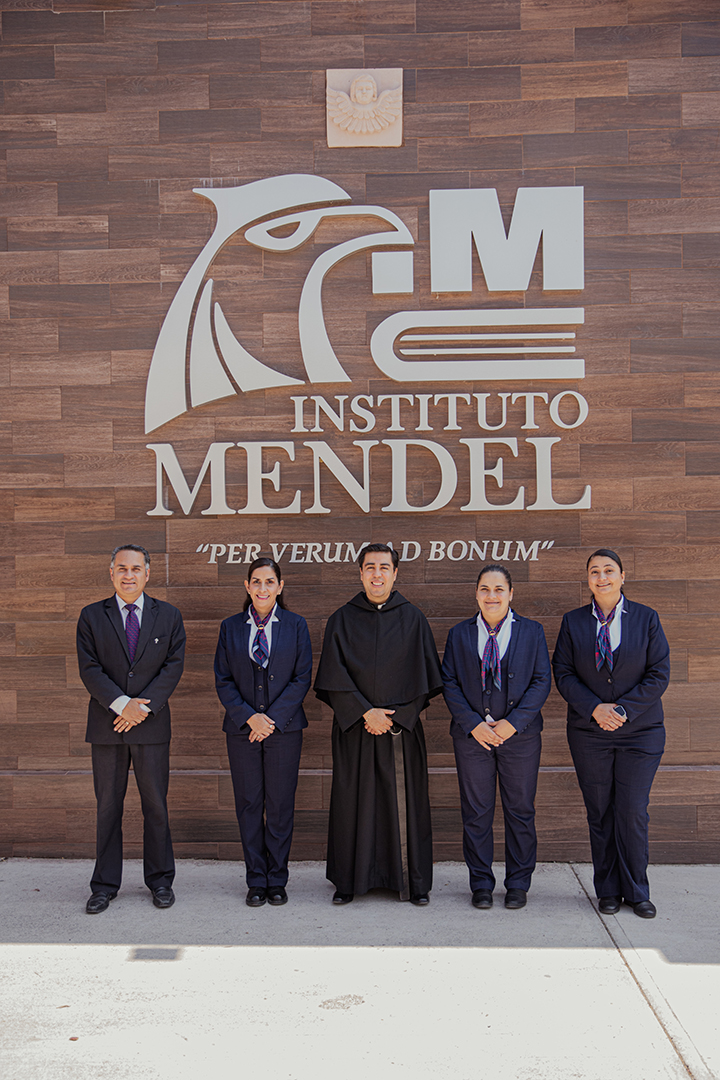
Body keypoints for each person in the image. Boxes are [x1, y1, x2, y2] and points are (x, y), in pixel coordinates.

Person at [314, 543, 443, 906]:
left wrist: (395, 716)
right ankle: (348, 881)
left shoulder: (413, 619)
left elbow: (426, 681)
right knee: (352, 804)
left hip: (400, 732)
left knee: (404, 806)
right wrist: (363, 712)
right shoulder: (341, 619)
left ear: (395, 573)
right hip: (355, 730)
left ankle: (412, 882)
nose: (377, 574)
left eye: (384, 567)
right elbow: (332, 677)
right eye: (370, 567)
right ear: (360, 573)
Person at [553, 549, 670, 919]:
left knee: (632, 810)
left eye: (608, 570)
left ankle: (637, 891)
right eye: (594, 571)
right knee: (600, 811)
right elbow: (563, 673)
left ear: (622, 576)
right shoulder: (573, 622)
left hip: (641, 732)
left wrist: (622, 710)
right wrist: (595, 708)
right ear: (588, 579)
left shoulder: (646, 618)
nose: (601, 577)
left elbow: (659, 673)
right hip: (589, 732)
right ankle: (607, 890)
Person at [76, 545, 186, 914]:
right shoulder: (92, 616)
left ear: (147, 574)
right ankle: (104, 885)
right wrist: (123, 704)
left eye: (135, 569)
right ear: (111, 573)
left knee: (156, 806)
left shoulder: (168, 616)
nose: (128, 575)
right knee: (108, 807)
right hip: (107, 726)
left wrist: (141, 709)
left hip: (151, 727)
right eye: (121, 568)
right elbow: (90, 668)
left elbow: (172, 666)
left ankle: (160, 881)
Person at [442, 565, 551, 910]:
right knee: (476, 812)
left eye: (499, 589)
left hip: (520, 738)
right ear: (476, 593)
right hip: (471, 738)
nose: (492, 596)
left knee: (520, 810)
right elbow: (449, 682)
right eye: (485, 589)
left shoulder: (532, 631)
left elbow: (541, 681)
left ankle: (518, 883)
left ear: (511, 593)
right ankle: (481, 884)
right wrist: (473, 724)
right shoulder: (459, 634)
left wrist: (512, 724)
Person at [214, 557, 311, 907]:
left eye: (269, 582)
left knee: (281, 805)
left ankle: (277, 879)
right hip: (242, 731)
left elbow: (302, 677)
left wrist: (270, 719)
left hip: (284, 730)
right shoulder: (230, 627)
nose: (262, 588)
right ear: (247, 586)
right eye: (256, 581)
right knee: (249, 803)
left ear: (280, 587)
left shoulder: (296, 625)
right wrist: (249, 718)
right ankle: (256, 879)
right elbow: (223, 679)